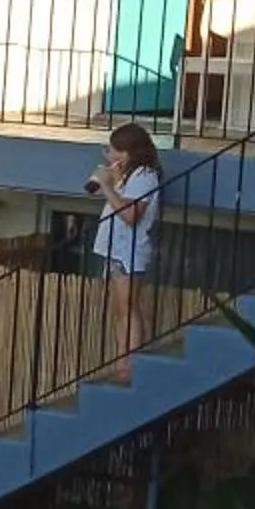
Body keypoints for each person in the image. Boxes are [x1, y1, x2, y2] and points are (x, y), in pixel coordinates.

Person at [85, 121, 161, 380]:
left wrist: (108, 187)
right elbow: (111, 198)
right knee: (121, 308)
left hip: (129, 251)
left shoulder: (145, 176)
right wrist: (109, 180)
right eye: (109, 150)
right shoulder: (127, 176)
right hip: (115, 249)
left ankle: (131, 363)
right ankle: (123, 360)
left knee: (129, 307)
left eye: (115, 151)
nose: (110, 156)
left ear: (131, 152)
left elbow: (130, 215)